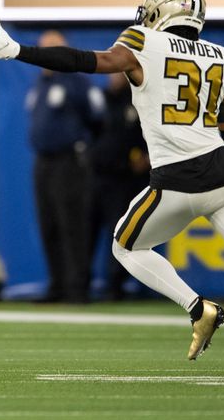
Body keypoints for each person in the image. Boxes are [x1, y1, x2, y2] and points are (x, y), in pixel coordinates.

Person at [0, 0, 224, 360]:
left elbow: (88, 62)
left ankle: (197, 307)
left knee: (125, 247)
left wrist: (20, 51)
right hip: (223, 175)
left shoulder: (144, 41)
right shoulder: (221, 55)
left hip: (177, 181)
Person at [23, 30, 104, 304]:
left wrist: (82, 146)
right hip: (43, 162)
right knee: (50, 226)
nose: (47, 56)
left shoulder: (76, 81)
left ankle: (77, 288)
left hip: (69, 161)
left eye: (53, 50)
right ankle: (57, 286)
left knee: (73, 225)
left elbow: (97, 116)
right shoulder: (40, 84)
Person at [88, 73, 149, 300]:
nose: (116, 77)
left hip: (124, 178)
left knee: (119, 233)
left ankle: (116, 287)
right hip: (96, 175)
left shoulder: (137, 100)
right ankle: (79, 284)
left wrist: (147, 158)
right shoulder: (99, 99)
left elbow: (151, 133)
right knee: (86, 231)